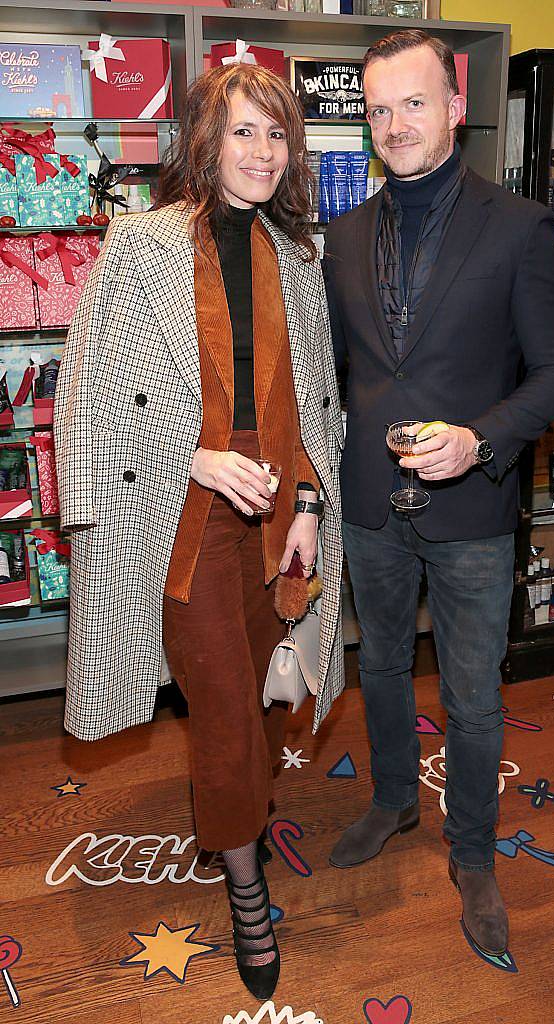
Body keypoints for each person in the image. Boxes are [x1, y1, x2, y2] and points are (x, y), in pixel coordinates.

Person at [54, 62, 345, 1000]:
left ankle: (239, 819)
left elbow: (314, 405)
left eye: (276, 134)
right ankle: (247, 890)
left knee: (261, 690)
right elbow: (89, 386)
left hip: (272, 508)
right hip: (183, 514)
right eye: (243, 133)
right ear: (206, 142)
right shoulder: (141, 245)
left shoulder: (297, 257)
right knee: (221, 713)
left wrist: (307, 505)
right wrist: (192, 455)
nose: (262, 153)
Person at [323, 29, 554, 955]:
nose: (395, 125)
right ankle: (394, 800)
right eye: (379, 109)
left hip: (474, 508)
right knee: (383, 667)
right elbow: (340, 375)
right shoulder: (344, 236)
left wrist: (482, 440)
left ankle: (473, 851)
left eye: (414, 103)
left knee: (474, 698)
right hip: (368, 506)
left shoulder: (516, 225)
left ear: (454, 104)